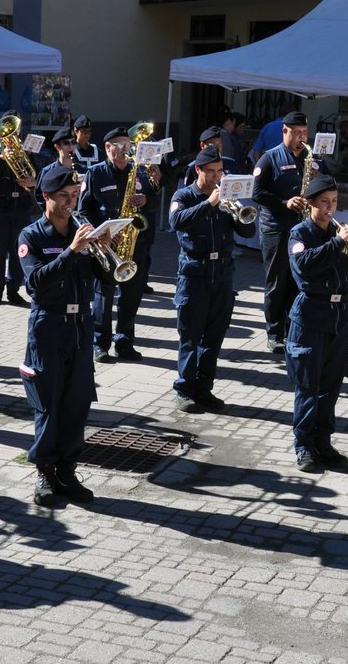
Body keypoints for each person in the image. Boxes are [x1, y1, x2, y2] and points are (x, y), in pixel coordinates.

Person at [19, 163, 112, 507]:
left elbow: (109, 281)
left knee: (77, 400)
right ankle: (44, 471)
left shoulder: (83, 231)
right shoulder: (31, 236)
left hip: (81, 325)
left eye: (76, 195)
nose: (72, 202)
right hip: (48, 325)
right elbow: (34, 283)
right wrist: (72, 251)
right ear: (46, 197)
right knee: (48, 402)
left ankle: (68, 470)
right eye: (65, 196)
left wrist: (105, 252)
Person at [286, 174, 348, 473]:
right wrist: (337, 243)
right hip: (311, 315)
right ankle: (304, 446)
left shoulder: (338, 235)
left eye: (334, 202)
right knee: (308, 385)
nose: (330, 209)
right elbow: (304, 266)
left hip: (340, 316)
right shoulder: (299, 234)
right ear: (310, 203)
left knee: (331, 385)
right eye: (324, 203)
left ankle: (324, 442)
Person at [168, 148, 255, 412]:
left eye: (220, 172)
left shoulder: (228, 198)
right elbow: (176, 221)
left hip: (223, 273)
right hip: (194, 273)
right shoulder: (184, 195)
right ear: (198, 171)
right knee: (190, 335)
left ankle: (204, 389)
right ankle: (185, 389)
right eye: (211, 172)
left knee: (214, 337)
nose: (217, 177)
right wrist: (209, 204)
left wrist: (237, 210)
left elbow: (248, 230)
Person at [81, 127, 157, 362]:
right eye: (121, 146)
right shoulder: (95, 173)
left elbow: (152, 203)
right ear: (108, 147)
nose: (126, 151)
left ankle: (124, 343)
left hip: (135, 245)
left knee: (131, 297)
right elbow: (83, 210)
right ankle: (100, 343)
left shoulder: (139, 172)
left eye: (128, 146)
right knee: (103, 297)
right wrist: (102, 232)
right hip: (107, 245)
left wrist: (147, 199)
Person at [252, 111, 312, 352]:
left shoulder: (307, 156)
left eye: (305, 133)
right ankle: (274, 332)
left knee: (296, 280)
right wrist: (284, 202)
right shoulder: (269, 158)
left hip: (299, 228)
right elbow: (257, 193)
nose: (302, 138)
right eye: (297, 133)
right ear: (285, 131)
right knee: (277, 281)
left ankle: (291, 329)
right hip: (275, 228)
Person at [0, 115, 37, 307]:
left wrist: (32, 182)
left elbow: (34, 174)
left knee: (19, 250)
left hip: (21, 206)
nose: (14, 134)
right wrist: (4, 157)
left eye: (17, 129)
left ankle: (13, 289)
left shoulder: (27, 149)